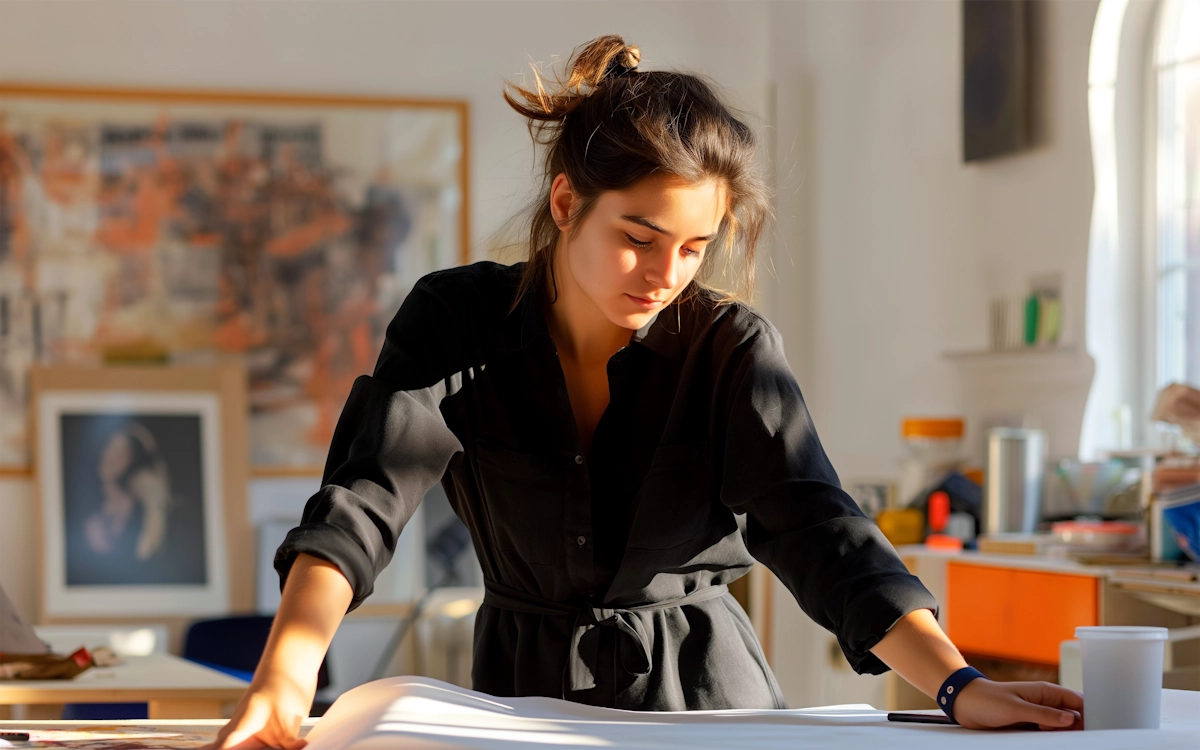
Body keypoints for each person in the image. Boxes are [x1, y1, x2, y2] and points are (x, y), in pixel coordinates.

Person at [208, 35, 1084, 750]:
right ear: (564, 203)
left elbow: (821, 531)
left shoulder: (730, 349)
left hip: (712, 710)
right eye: (638, 236)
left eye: (695, 246)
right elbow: (361, 502)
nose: (665, 274)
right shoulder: (454, 321)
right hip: (519, 704)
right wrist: (286, 678)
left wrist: (959, 685)